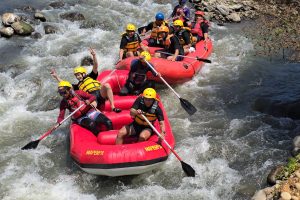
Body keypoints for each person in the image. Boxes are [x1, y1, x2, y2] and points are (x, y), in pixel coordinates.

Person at [51, 48, 121, 113]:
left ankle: (113, 107)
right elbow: (65, 84)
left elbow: (95, 66)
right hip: (92, 97)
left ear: (83, 74)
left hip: (100, 93)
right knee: (91, 106)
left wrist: (94, 55)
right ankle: (102, 117)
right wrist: (56, 77)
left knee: (107, 85)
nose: (77, 77)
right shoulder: (77, 86)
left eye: (78, 75)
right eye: (76, 76)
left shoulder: (91, 76)